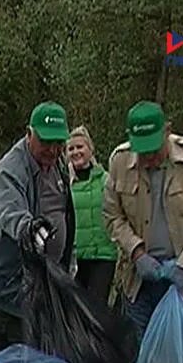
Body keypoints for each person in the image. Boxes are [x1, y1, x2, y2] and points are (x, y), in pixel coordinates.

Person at [103, 100, 183, 339]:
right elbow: (112, 215)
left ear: (167, 131)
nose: (148, 158)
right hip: (139, 282)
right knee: (141, 357)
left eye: (153, 149)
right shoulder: (120, 161)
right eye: (142, 151)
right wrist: (136, 251)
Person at [0, 101, 76, 351]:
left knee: (43, 356)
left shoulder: (59, 165)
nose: (53, 150)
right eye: (46, 142)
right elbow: (9, 210)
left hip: (46, 283)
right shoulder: (10, 169)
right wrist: (29, 230)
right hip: (11, 284)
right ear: (29, 134)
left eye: (58, 143)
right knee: (14, 362)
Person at [67, 125, 117, 307]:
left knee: (96, 310)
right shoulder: (62, 184)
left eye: (80, 147)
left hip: (102, 257)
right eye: (71, 148)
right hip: (75, 260)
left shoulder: (106, 180)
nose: (76, 152)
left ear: (90, 149)